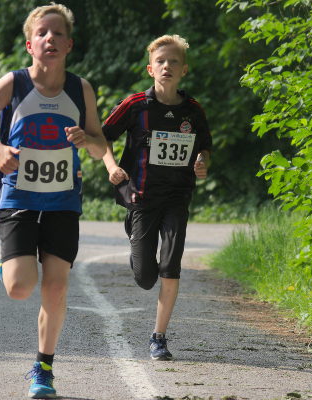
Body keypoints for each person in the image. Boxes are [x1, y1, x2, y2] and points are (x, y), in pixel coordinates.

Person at [0, 3, 106, 398]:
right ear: (30, 44)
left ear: (69, 44)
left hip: (63, 200)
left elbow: (99, 147)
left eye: (58, 33)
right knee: (19, 288)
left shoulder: (81, 89)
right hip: (18, 196)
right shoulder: (13, 83)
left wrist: (87, 140)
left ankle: (43, 369)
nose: (50, 38)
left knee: (56, 288)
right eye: (43, 33)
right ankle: (8, 261)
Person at [101, 34, 212, 361]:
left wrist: (203, 161)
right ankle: (134, 232)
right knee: (145, 277)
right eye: (161, 62)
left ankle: (159, 337)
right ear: (151, 69)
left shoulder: (193, 110)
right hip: (141, 196)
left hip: (178, 196)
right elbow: (102, 136)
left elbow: (205, 146)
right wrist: (110, 166)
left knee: (171, 264)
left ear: (184, 70)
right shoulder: (136, 106)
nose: (167, 66)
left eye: (173, 62)